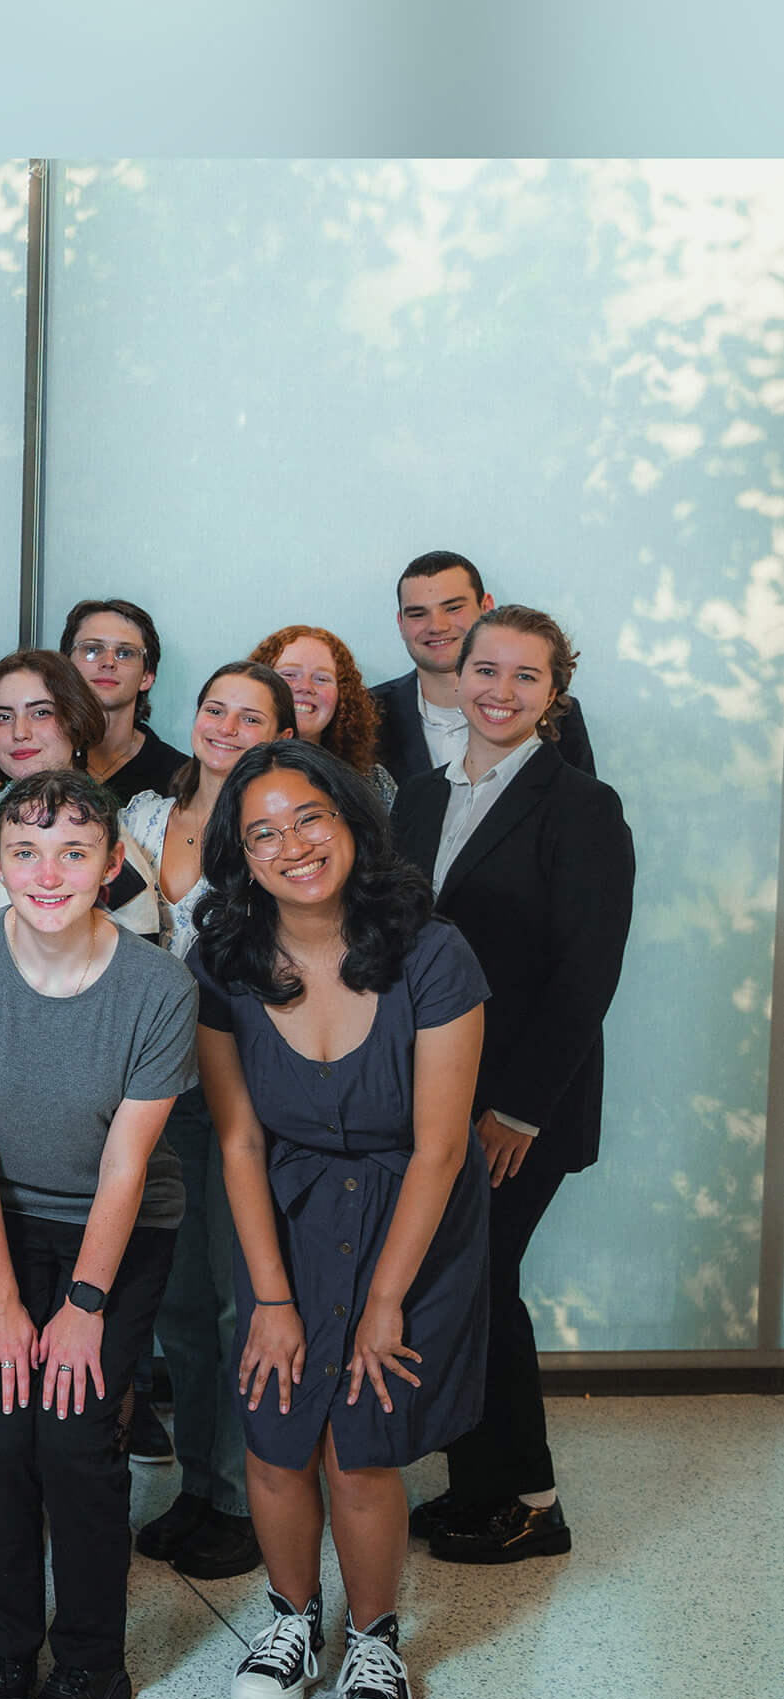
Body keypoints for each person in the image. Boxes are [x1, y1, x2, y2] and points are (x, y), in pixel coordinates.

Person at [194, 741, 492, 1699]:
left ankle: (373, 1635)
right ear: (241, 855)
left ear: (352, 819)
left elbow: (443, 1146)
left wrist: (381, 1300)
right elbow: (236, 1137)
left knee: (362, 1441)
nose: (292, 844)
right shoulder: (225, 959)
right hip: (281, 1210)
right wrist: (270, 1299)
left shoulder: (432, 950)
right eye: (262, 831)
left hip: (411, 1215)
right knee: (276, 1430)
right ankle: (290, 1618)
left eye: (309, 816)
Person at [0, 770, 195, 1699]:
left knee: (72, 1438)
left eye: (74, 851)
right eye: (25, 850)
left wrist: (81, 1304)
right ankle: (5, 1643)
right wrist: (0, 1296)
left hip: (114, 1231)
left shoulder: (160, 986)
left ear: (111, 865)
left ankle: (89, 1659)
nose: (47, 871)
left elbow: (126, 1163)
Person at [392, 606, 632, 1564]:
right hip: (430, 1095)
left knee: (483, 1284)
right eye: (482, 669)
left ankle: (531, 1502)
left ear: (552, 694)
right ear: (455, 675)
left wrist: (518, 1108)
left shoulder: (581, 805)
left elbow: (587, 972)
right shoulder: (415, 798)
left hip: (519, 1106)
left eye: (522, 677)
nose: (497, 690)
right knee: (459, 1285)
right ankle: (480, 1487)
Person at [118, 664, 296, 1584]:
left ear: (280, 731)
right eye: (214, 709)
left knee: (236, 1301)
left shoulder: (279, 828)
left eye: (250, 715)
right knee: (181, 1306)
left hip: (240, 1089)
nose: (226, 726)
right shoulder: (143, 817)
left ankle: (238, 1495)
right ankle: (196, 1484)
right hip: (152, 1086)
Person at [0, 650, 164, 940]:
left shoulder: (112, 847)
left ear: (75, 719)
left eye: (41, 712)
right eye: (3, 716)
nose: (20, 732)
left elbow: (140, 974)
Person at [373, 551, 594, 784]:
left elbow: (587, 811)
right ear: (401, 623)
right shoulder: (365, 714)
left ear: (486, 606)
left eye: (453, 608)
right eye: (418, 614)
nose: (436, 626)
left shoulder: (557, 712)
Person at [59, 598, 186, 804]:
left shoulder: (181, 777)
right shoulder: (37, 758)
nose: (108, 663)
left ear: (147, 676)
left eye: (125, 653)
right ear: (65, 665)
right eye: (92, 650)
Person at [250, 623, 394, 804]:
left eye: (321, 678)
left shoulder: (374, 784)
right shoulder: (228, 767)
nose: (305, 687)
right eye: (289, 675)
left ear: (343, 696)